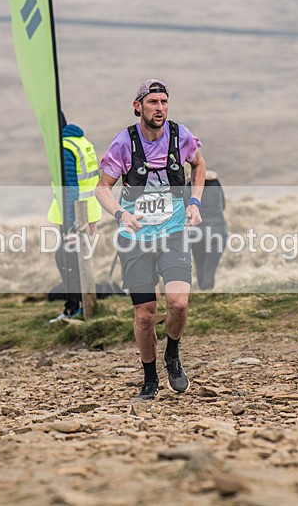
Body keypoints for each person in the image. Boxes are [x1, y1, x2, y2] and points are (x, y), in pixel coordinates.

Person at [95, 79, 206, 400]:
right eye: (153, 102)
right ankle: (150, 378)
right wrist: (120, 214)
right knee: (144, 315)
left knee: (179, 303)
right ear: (138, 107)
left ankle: (172, 353)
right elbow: (102, 188)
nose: (160, 108)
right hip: (137, 239)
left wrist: (195, 203)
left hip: (172, 233)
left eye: (164, 102)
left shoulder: (180, 135)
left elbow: (198, 164)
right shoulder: (123, 143)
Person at [47, 113, 102, 322]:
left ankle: (75, 310)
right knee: (71, 261)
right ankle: (77, 308)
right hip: (85, 213)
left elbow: (70, 187)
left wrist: (71, 227)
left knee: (68, 261)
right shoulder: (81, 142)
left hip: (75, 216)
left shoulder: (64, 147)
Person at [186, 170, 227, 290]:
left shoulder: (189, 188)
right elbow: (223, 205)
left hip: (196, 233)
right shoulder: (215, 184)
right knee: (210, 268)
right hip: (217, 231)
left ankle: (203, 292)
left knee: (200, 265)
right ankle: (208, 292)